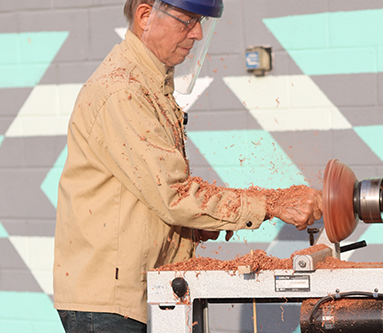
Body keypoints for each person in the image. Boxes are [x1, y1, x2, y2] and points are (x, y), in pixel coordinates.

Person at [53, 0, 323, 331]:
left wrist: (198, 225)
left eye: (200, 23)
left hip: (141, 291)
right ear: (145, 15)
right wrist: (272, 203)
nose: (196, 34)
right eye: (186, 21)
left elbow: (146, 194)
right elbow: (174, 196)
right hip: (112, 305)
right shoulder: (122, 90)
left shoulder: (150, 86)